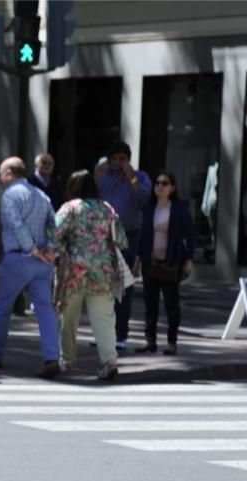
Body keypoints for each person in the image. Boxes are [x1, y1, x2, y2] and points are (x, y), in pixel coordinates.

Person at [0, 156, 60, 379]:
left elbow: (16, 224)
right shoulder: (41, 195)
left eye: (1, 174)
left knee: (3, 308)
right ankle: (52, 356)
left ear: (8, 174)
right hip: (43, 263)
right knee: (45, 309)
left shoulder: (10, 196)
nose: (0, 178)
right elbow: (54, 223)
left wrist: (32, 249)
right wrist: (50, 249)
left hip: (18, 258)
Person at [53, 170, 126, 380]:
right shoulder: (107, 208)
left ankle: (66, 360)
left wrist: (60, 253)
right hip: (104, 270)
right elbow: (120, 239)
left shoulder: (70, 208)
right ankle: (109, 361)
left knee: (68, 317)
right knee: (104, 318)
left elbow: (53, 235)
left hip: (73, 270)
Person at [96, 141, 150, 351]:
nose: (119, 163)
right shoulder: (105, 178)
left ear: (128, 159)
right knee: (103, 286)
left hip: (129, 236)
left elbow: (144, 199)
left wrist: (132, 177)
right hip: (105, 236)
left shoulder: (140, 177)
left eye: (122, 159)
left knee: (124, 288)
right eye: (115, 159)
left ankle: (120, 335)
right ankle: (104, 333)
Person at [134, 171, 195, 356]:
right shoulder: (150, 208)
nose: (160, 186)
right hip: (150, 262)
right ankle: (149, 340)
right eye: (157, 183)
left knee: (171, 304)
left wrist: (189, 259)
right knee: (149, 303)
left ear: (172, 188)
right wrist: (138, 258)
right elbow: (143, 235)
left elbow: (190, 234)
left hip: (171, 262)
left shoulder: (179, 209)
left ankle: (171, 342)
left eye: (165, 183)